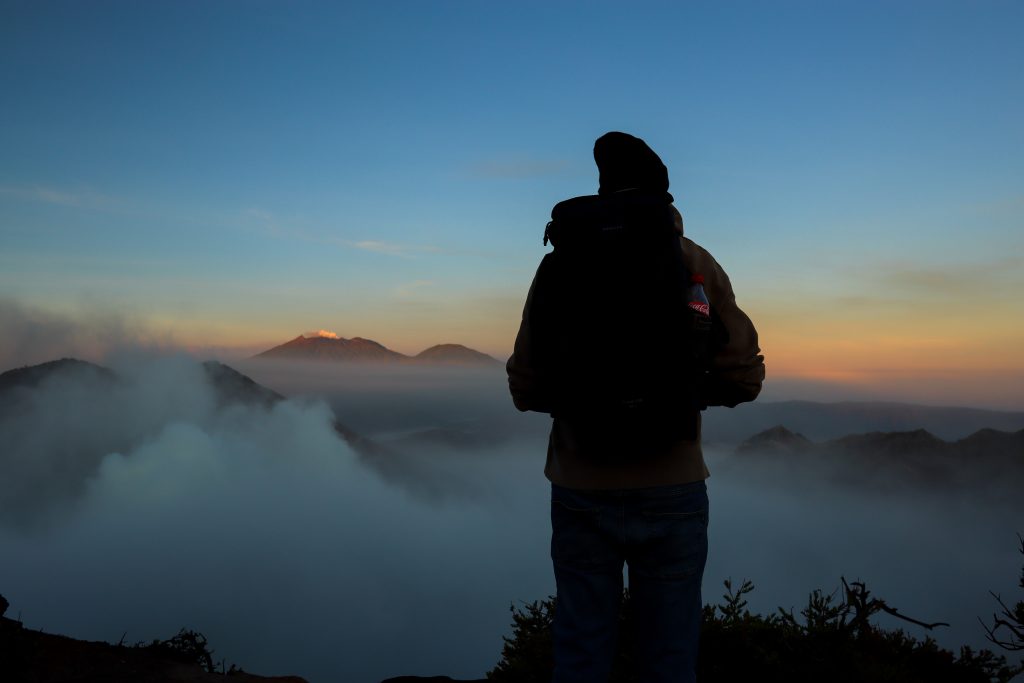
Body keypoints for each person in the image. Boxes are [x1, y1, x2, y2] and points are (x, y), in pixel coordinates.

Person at [506, 131, 765, 683]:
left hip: (580, 484)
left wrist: (581, 402)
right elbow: (744, 376)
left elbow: (524, 385)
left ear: (601, 190)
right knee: (669, 656)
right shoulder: (693, 261)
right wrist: (681, 395)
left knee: (580, 649)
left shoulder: (560, 264)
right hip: (673, 481)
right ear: (663, 195)